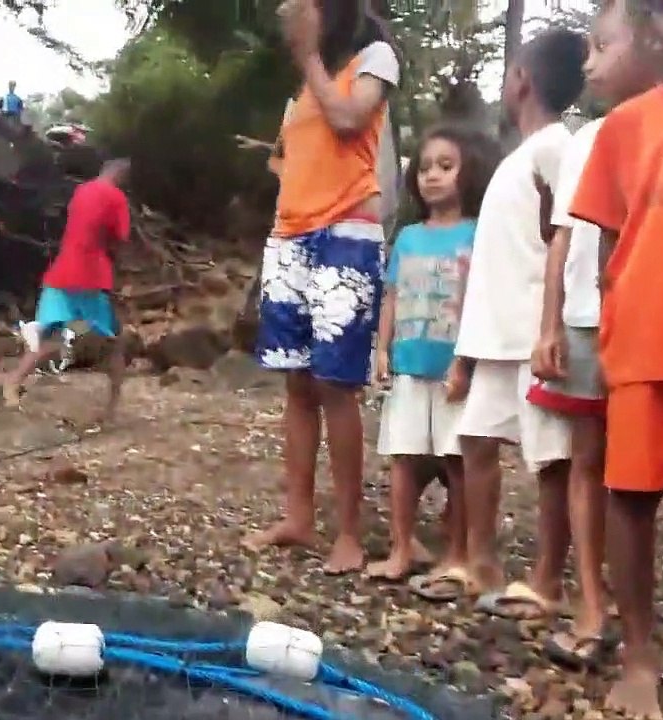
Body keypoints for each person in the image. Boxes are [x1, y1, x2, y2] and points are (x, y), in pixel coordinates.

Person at [529, 0, 659, 671]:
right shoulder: (601, 136)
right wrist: (557, 323)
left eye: (604, 45)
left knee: (626, 477)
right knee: (606, 476)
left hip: (640, 334)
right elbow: (579, 241)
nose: (589, 64)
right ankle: (611, 624)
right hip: (612, 333)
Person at [250, 0, 400, 575]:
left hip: (346, 234)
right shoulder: (303, 86)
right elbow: (294, 159)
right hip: (290, 235)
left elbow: (348, 120)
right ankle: (297, 516)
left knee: (337, 385)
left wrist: (308, 55)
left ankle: (350, 534)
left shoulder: (375, 58)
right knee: (297, 382)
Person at [447, 28, 586, 613]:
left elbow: (565, 237)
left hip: (532, 335)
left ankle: (549, 578)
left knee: (550, 459)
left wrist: (551, 327)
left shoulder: (560, 147)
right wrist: (466, 349)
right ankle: (481, 563)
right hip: (493, 336)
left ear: (522, 80)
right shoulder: (520, 156)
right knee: (477, 440)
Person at [569, 2, 663, 715]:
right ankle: (639, 654)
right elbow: (609, 245)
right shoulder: (626, 125)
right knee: (632, 500)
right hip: (646, 339)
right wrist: (615, 327)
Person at [366, 124, 498, 587]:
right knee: (403, 458)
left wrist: (475, 359)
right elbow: (391, 296)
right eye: (424, 168)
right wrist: (381, 350)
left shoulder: (478, 234)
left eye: (445, 166)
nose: (432, 176)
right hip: (407, 366)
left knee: (457, 461)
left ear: (468, 173)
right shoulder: (407, 238)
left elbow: (485, 298)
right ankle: (401, 548)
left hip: (455, 371)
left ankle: (457, 554)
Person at [2, 159, 131, 419]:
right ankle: (112, 407)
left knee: (49, 336)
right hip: (90, 279)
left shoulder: (81, 191)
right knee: (111, 342)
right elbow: (120, 238)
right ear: (121, 175)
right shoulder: (116, 198)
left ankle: (12, 382)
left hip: (61, 273)